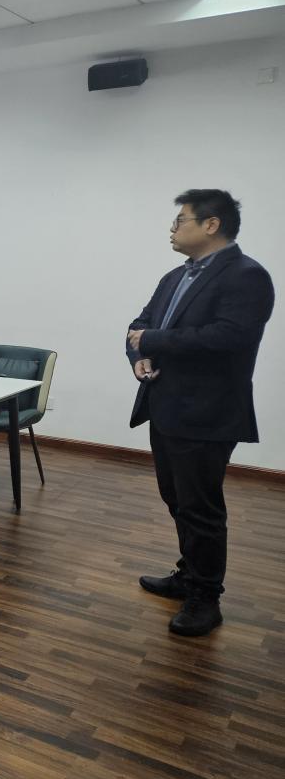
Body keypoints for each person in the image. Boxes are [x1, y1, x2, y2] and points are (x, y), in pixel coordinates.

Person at [126, 189, 274, 637]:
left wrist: (152, 342)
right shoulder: (175, 276)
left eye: (180, 220)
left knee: (201, 508)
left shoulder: (247, 276)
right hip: (165, 405)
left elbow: (228, 338)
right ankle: (189, 573)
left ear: (211, 224)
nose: (172, 229)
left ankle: (206, 599)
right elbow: (140, 325)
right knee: (177, 499)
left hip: (207, 413)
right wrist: (139, 356)